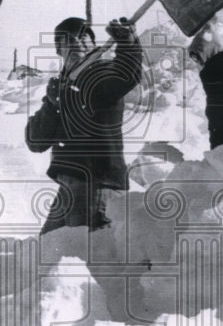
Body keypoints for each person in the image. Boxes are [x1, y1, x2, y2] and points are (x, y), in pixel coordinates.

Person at [26, 16, 142, 234]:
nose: (78, 43)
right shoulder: (61, 88)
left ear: (93, 45)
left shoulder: (102, 76)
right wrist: (52, 104)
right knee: (46, 250)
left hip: (98, 184)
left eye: (84, 38)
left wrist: (127, 42)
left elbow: (127, 75)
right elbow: (36, 141)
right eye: (69, 40)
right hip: (71, 186)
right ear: (59, 50)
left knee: (81, 257)